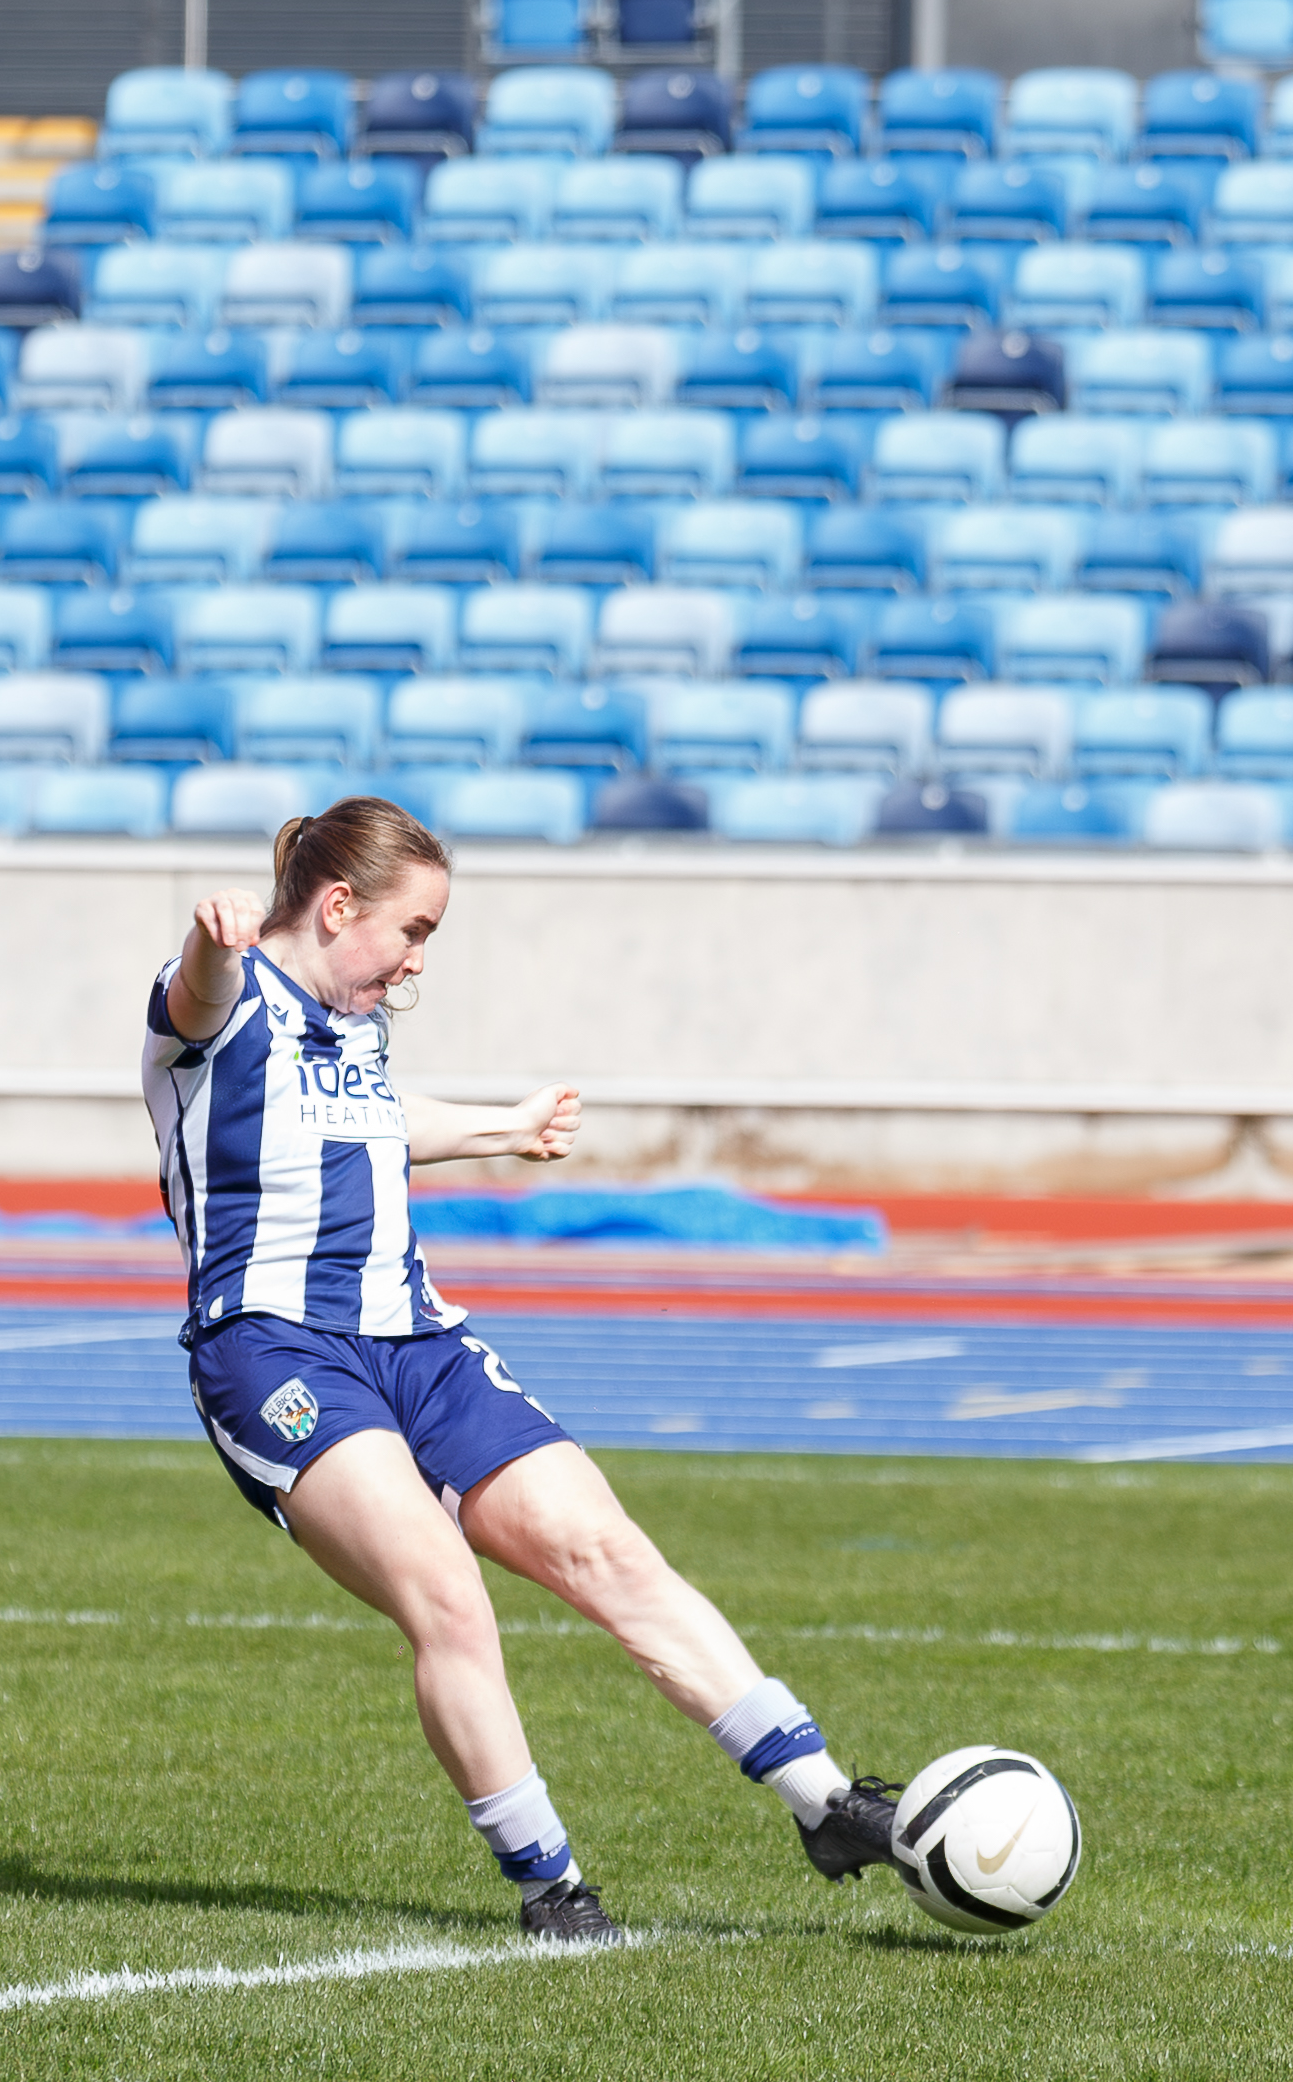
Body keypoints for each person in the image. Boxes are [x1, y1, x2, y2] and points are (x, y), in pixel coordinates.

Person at [150, 798, 907, 1945]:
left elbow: (369, 1116)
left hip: (419, 1338)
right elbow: (193, 998)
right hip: (273, 1350)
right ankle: (552, 1888)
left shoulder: (354, 1022)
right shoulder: (225, 992)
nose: (416, 961)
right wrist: (214, 935)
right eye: (413, 931)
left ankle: (825, 1804)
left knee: (608, 1550)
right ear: (340, 905)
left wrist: (501, 1127)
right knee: (447, 1596)